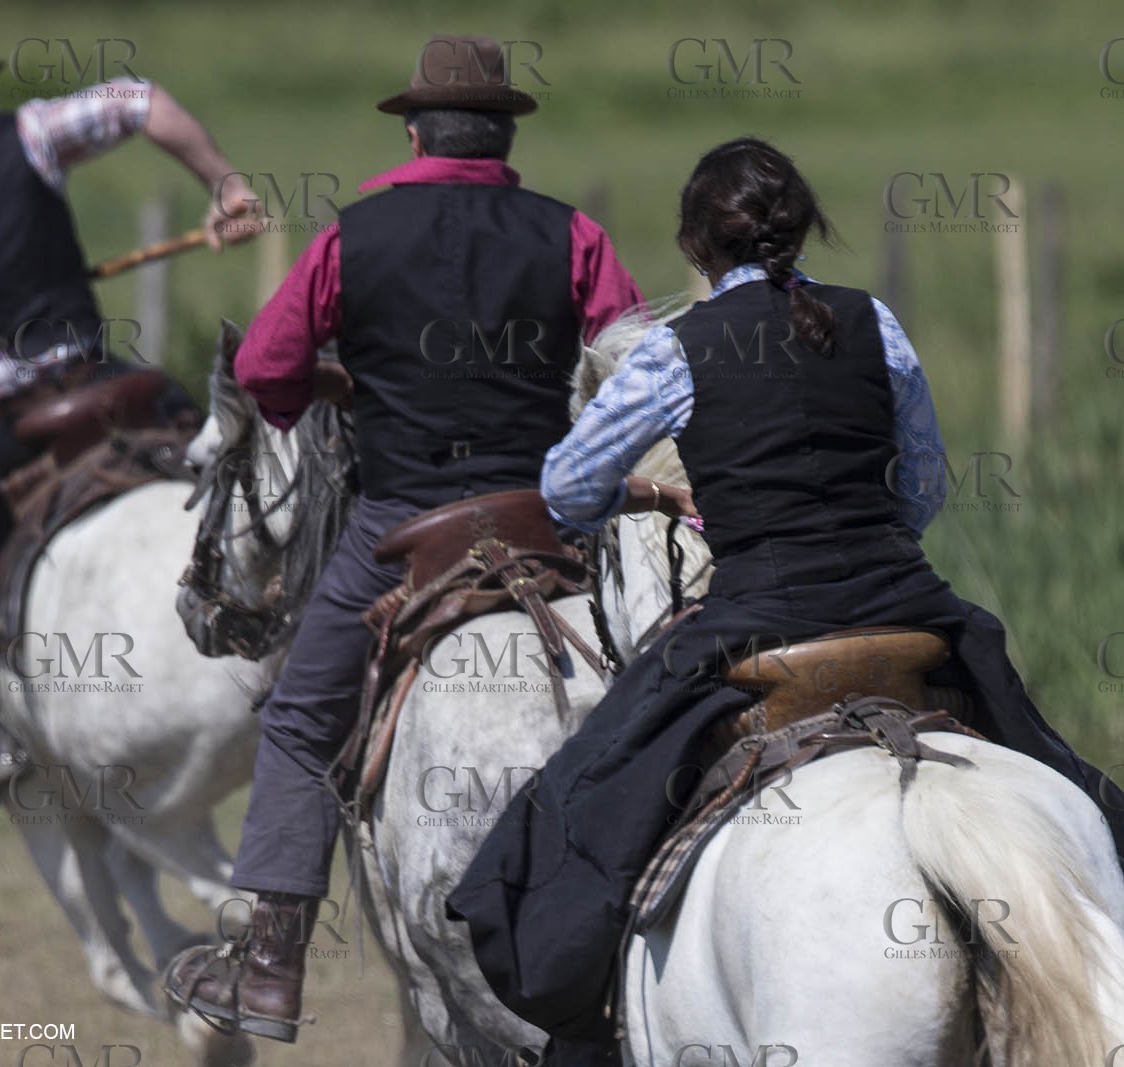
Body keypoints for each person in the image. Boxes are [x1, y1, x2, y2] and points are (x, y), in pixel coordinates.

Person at [446, 136, 1124, 1063]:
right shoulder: (875, 320)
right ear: (803, 232)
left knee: (572, 811)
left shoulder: (678, 350)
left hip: (755, 619)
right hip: (912, 610)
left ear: (695, 248)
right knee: (1075, 787)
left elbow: (566, 489)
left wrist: (645, 494)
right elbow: (921, 483)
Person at [163, 34, 644, 1044]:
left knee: (296, 717)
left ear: (414, 129)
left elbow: (263, 367)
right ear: (506, 135)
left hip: (402, 523)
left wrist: (330, 388)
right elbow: (631, 369)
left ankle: (270, 963)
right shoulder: (573, 234)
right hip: (548, 518)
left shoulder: (353, 236)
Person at [0, 27, 259, 822]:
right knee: (229, 470)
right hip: (113, 389)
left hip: (7, 429)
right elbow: (141, 101)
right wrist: (225, 183)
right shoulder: (30, 133)